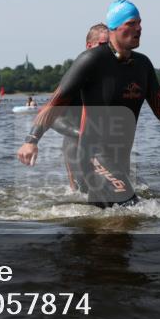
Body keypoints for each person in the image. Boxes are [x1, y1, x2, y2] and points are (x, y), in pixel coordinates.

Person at [17, 0, 160, 208]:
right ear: (114, 28)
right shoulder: (91, 60)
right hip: (92, 154)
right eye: (131, 23)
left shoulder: (143, 64)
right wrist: (31, 140)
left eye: (139, 23)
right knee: (132, 206)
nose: (138, 28)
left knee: (111, 218)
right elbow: (55, 103)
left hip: (121, 157)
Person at [51, 23, 109, 193]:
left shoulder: (115, 76)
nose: (108, 52)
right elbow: (52, 117)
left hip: (106, 145)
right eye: (103, 46)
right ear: (89, 46)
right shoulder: (75, 77)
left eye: (111, 47)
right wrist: (82, 134)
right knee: (85, 194)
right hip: (76, 144)